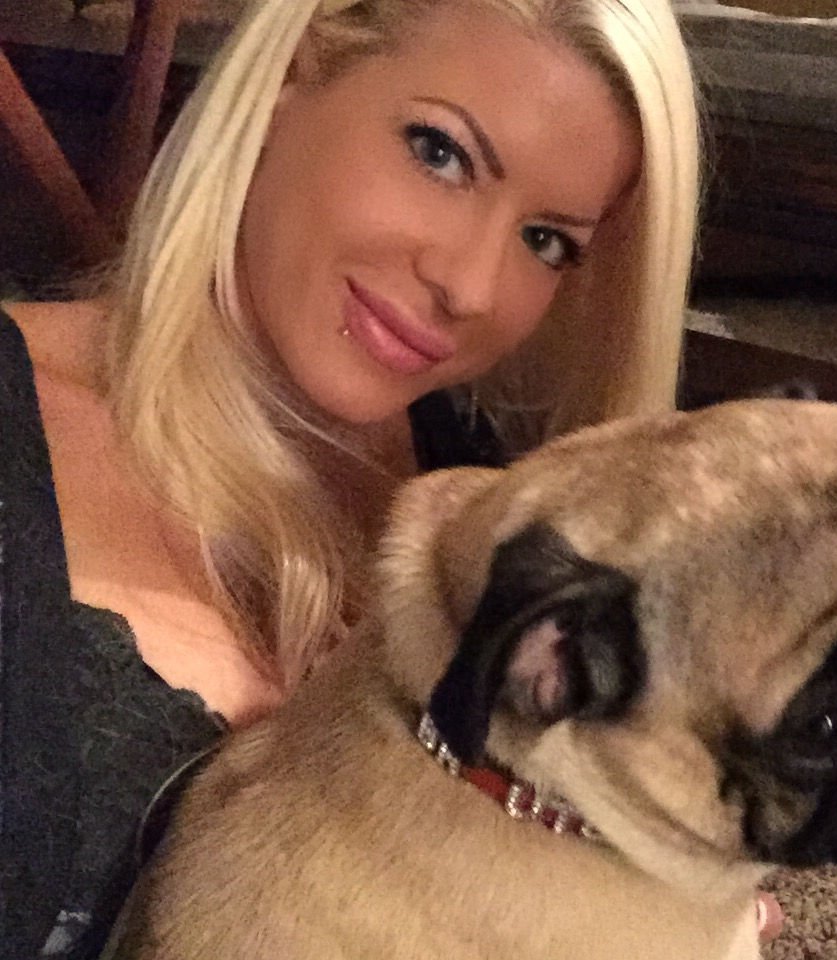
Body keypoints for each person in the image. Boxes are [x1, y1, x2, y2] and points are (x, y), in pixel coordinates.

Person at [0, 0, 763, 954]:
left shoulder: (508, 526)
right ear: (294, 73)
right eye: (440, 154)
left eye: (547, 240)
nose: (470, 286)